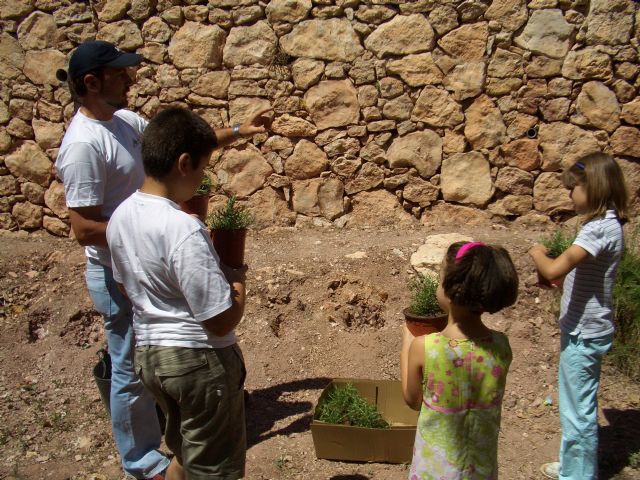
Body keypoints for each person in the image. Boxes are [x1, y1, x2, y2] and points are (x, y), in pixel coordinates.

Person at [55, 40, 268, 480]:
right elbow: (82, 228)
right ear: (91, 82)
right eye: (119, 73)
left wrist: (238, 130)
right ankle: (138, 460)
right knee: (127, 373)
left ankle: (163, 451)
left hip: (147, 283)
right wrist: (234, 283)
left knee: (173, 424)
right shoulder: (83, 146)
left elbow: (180, 142)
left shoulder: (126, 125)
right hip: (132, 279)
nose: (129, 79)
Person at [107, 107, 250, 480]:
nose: (202, 180)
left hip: (150, 357)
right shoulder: (183, 228)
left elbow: (125, 285)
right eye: (202, 169)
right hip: (198, 362)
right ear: (184, 163)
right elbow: (220, 320)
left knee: (185, 454)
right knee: (214, 470)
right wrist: (237, 278)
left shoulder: (120, 217)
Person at [529, 153, 629, 480]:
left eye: (574, 188)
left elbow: (555, 266)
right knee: (574, 405)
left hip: (584, 334)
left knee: (578, 413)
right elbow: (574, 271)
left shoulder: (598, 230)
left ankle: (578, 476)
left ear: (594, 188)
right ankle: (572, 465)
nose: (569, 195)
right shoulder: (604, 226)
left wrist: (539, 255)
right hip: (585, 329)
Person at [401, 241, 518, 479]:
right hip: (480, 470)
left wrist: (407, 343)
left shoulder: (425, 347)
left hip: (436, 470)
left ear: (450, 289)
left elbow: (412, 400)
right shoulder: (501, 345)